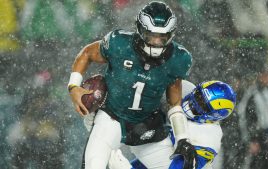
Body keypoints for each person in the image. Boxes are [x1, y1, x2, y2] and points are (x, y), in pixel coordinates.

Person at [68, 1, 194, 169]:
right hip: (112, 118)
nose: (156, 42)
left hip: (147, 124)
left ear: (171, 35)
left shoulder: (178, 59)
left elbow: (174, 102)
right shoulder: (119, 43)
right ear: (140, 30)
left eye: (162, 37)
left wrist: (182, 138)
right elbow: (87, 54)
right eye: (151, 35)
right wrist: (73, 86)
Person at [106, 80, 237, 169]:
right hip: (163, 153)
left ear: (213, 117)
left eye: (201, 105)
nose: (192, 103)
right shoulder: (185, 89)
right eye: (197, 95)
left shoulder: (207, 139)